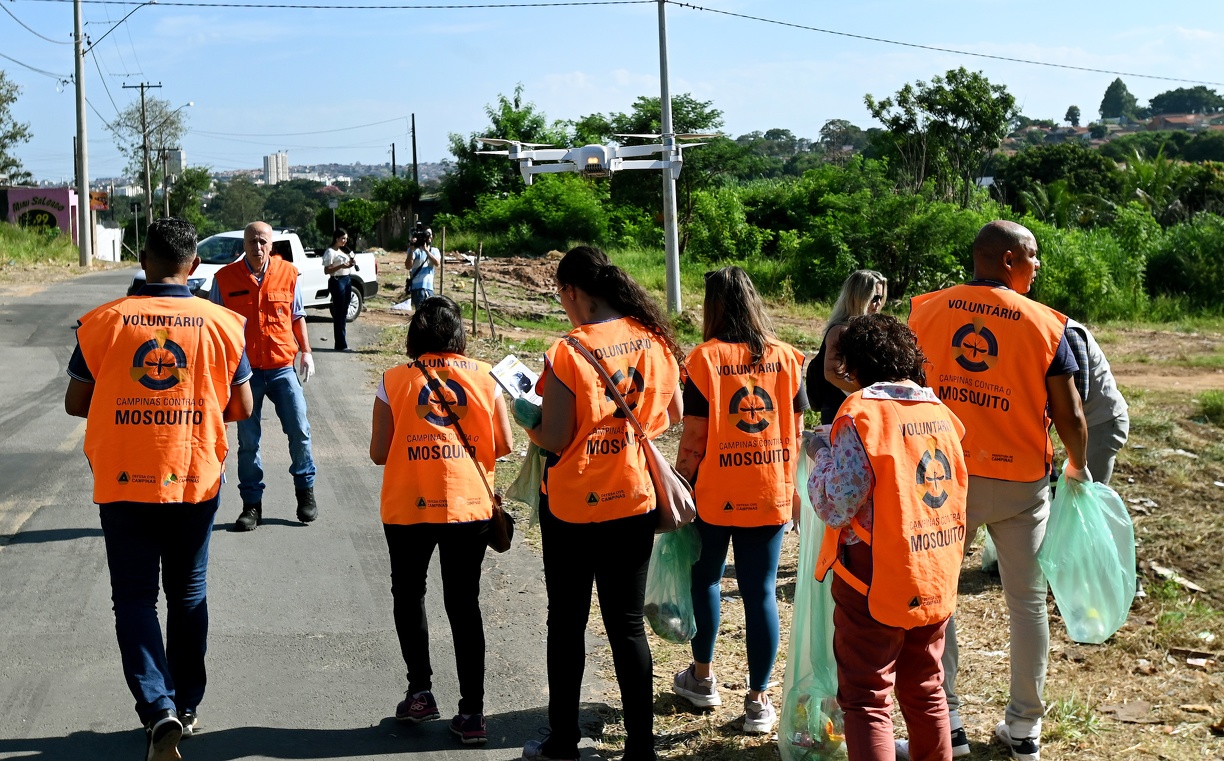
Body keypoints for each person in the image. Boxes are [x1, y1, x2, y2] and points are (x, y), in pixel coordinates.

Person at [64, 217, 253, 760]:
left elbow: (78, 402)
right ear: (194, 266)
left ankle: (157, 708)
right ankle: (187, 705)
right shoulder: (224, 324)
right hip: (193, 476)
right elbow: (240, 407)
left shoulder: (105, 322)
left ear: (142, 261)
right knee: (188, 593)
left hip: (124, 478)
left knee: (134, 600)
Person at [908, 220, 1089, 761]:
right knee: (1028, 602)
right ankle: (1025, 729)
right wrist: (1078, 467)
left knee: (939, 602)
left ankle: (951, 724)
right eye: (1034, 259)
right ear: (1010, 259)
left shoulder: (927, 310)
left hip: (940, 477)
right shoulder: (1048, 325)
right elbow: (1071, 411)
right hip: (1019, 482)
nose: (1038, 269)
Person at [516, 245, 683, 761]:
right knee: (627, 625)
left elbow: (557, 436)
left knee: (566, 622)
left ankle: (562, 742)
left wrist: (526, 414)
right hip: (632, 497)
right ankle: (641, 748)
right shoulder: (654, 340)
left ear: (571, 292)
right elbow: (672, 415)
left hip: (571, 504)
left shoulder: (569, 350)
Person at [808, 313, 968, 761]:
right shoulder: (943, 415)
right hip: (934, 570)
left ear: (853, 367)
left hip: (872, 577)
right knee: (926, 688)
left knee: (866, 697)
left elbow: (838, 503)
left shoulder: (860, 414)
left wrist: (819, 454)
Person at [369, 295, 513, 746]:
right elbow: (504, 444)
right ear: (458, 336)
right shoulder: (487, 377)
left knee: (409, 593)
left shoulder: (393, 380)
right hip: (465, 506)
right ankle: (472, 713)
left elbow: (378, 452)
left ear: (415, 335)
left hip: (408, 506)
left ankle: (420, 692)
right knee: (464, 604)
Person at [671, 266, 807, 734]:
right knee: (761, 591)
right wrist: (788, 485)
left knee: (705, 580)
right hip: (769, 491)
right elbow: (798, 430)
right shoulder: (789, 358)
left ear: (714, 307)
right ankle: (759, 700)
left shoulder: (703, 361)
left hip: (713, 493)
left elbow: (693, 438)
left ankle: (703, 678)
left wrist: (678, 481)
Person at [209, 221, 319, 530]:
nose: (257, 247)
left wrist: (307, 352)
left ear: (271, 245)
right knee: (248, 441)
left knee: (299, 429)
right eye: (252, 241)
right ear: (242, 244)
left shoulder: (288, 274)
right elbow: (216, 324)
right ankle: (251, 505)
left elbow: (297, 315)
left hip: (283, 368)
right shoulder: (225, 278)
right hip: (245, 373)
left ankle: (305, 491)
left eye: (263, 242)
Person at [807, 270, 888, 425]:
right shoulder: (840, 331)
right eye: (874, 298)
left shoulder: (868, 328)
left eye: (881, 298)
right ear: (859, 297)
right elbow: (831, 374)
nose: (879, 304)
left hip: (858, 407)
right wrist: (866, 394)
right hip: (840, 409)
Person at [1065, 318, 1128, 485]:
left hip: (1101, 423)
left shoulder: (1068, 333)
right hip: (1086, 423)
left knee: (1086, 496)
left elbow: (1077, 396)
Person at [322, 227, 356, 352]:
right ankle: (341, 343)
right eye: (343, 238)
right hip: (337, 281)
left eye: (346, 239)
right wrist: (341, 265)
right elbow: (327, 270)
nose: (345, 241)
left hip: (347, 279)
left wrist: (350, 263)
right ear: (337, 238)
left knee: (344, 311)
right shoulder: (330, 252)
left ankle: (341, 342)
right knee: (339, 313)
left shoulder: (343, 251)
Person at [406, 228, 441, 309]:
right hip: (417, 288)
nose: (430, 237)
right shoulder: (415, 250)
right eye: (428, 234)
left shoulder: (434, 250)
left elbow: (437, 263)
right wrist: (411, 249)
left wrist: (426, 251)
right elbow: (408, 266)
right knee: (420, 314)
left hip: (429, 288)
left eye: (431, 235)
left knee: (429, 314)